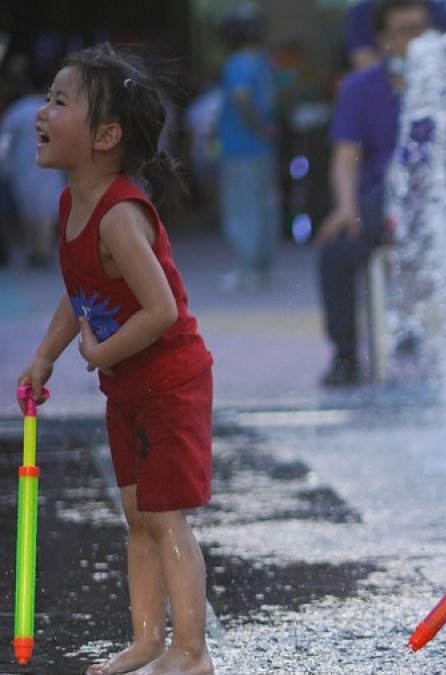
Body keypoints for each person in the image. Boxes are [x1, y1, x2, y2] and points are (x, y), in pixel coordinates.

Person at [16, 44, 215, 675]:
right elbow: (81, 292)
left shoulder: (120, 215)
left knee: (163, 516)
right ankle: (146, 640)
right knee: (136, 515)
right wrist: (46, 354)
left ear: (105, 135)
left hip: (170, 382)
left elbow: (160, 310)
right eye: (46, 98)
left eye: (59, 101)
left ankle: (191, 651)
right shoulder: (72, 204)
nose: (41, 113)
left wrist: (98, 350)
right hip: (129, 387)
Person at [316, 0, 432, 387]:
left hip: (445, 198)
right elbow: (345, 154)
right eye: (405, 31)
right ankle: (346, 355)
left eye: (422, 29)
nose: (416, 41)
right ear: (385, 39)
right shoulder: (360, 87)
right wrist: (346, 207)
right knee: (335, 248)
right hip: (381, 196)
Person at [216, 3, 280, 292]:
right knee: (264, 205)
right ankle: (262, 265)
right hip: (263, 148)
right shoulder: (263, 62)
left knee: (242, 207)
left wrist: (256, 126)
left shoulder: (237, 63)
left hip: (239, 147)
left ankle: (247, 266)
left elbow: (242, 99)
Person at [0, 53, 66, 268]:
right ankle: (42, 251)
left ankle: (35, 250)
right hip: (50, 164)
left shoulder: (17, 110)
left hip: (24, 166)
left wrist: (5, 166)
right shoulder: (53, 110)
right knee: (45, 209)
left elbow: (5, 140)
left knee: (29, 209)